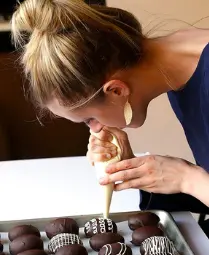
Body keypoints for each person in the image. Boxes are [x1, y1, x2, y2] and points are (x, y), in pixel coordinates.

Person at [11, 0, 209, 232]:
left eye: (89, 119)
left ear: (116, 90)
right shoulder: (181, 65)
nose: (95, 129)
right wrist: (141, 173)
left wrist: (188, 178)